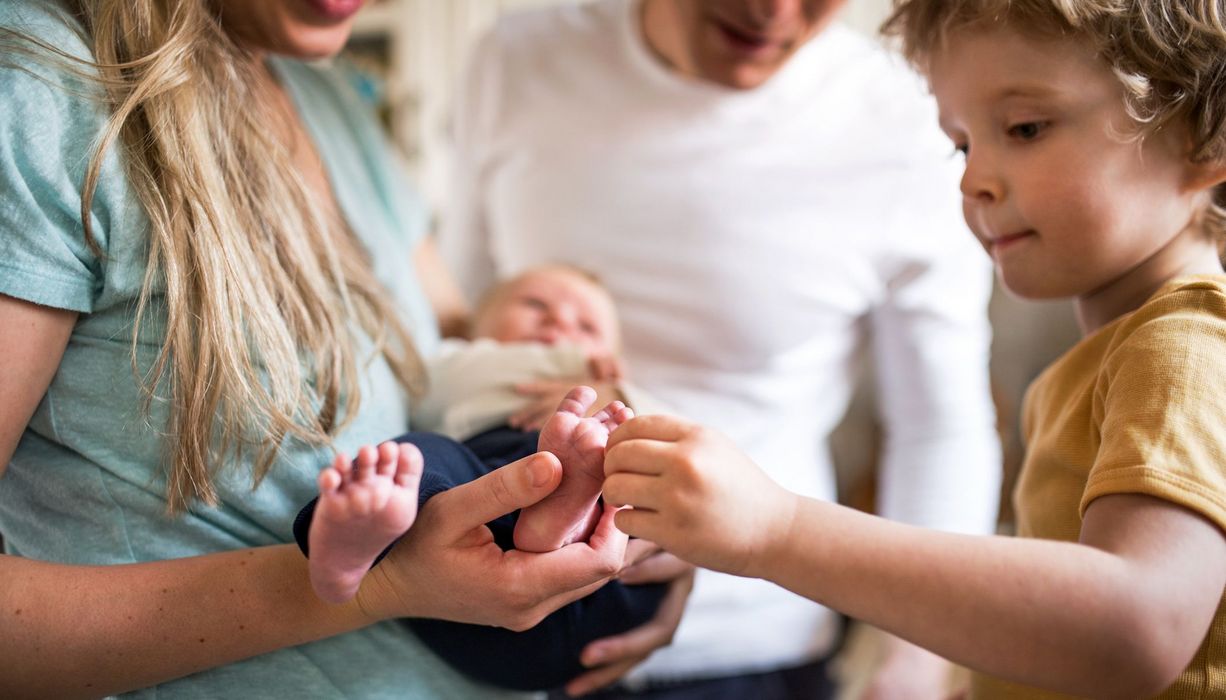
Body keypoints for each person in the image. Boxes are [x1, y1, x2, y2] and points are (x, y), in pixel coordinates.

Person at [0, 1, 677, 696]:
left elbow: (459, 342)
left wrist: (649, 546)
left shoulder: (333, 105)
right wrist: (376, 587)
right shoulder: (34, 85)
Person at [602, 0, 1226, 696]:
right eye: (962, 144)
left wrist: (776, 531)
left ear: (1205, 137)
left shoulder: (1186, 345)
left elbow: (1138, 628)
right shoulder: (1112, 358)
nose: (971, 180)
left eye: (1025, 127)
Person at [439, 0, 1002, 696]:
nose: (774, 11)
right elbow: (458, 323)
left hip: (749, 646)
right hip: (493, 629)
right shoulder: (517, 61)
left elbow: (938, 425)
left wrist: (914, 665)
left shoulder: (906, 119)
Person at [291, 267, 671, 691]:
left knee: (624, 479)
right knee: (417, 459)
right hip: (466, 573)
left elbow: (683, 444)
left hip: (604, 588)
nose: (560, 322)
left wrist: (619, 391)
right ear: (475, 328)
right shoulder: (460, 363)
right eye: (535, 305)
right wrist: (577, 365)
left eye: (587, 325)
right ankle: (355, 546)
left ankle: (566, 511)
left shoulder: (621, 393)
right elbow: (435, 382)